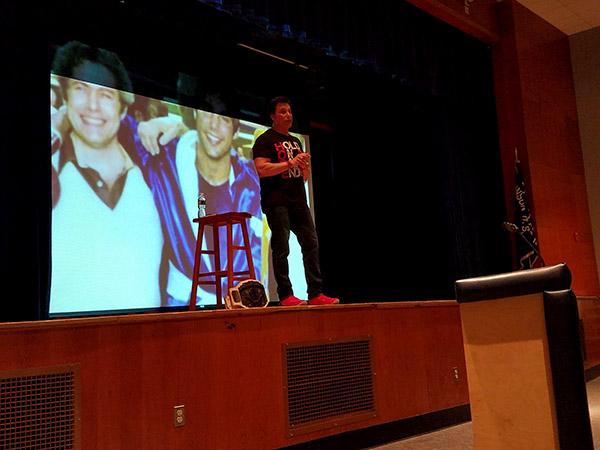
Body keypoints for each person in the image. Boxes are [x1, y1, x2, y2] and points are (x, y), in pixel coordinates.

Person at [49, 41, 163, 314]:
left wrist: (175, 124)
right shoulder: (54, 164)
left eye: (106, 95)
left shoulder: (154, 172)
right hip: (63, 335)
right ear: (66, 99)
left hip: (151, 335)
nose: (93, 106)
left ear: (122, 109)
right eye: (81, 89)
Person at [134, 106, 263, 307]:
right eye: (207, 113)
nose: (214, 125)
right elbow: (114, 123)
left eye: (224, 119)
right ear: (195, 114)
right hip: (182, 305)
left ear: (236, 131)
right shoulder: (165, 164)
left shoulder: (251, 182)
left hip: (240, 308)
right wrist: (144, 127)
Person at [252, 96, 338, 306]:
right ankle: (285, 295)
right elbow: (262, 169)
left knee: (311, 244)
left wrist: (303, 166)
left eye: (289, 111)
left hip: (298, 200)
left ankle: (315, 293)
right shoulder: (265, 140)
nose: (288, 115)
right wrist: (290, 162)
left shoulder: (296, 141)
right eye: (283, 112)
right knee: (282, 248)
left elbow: (304, 177)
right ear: (272, 116)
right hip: (277, 201)